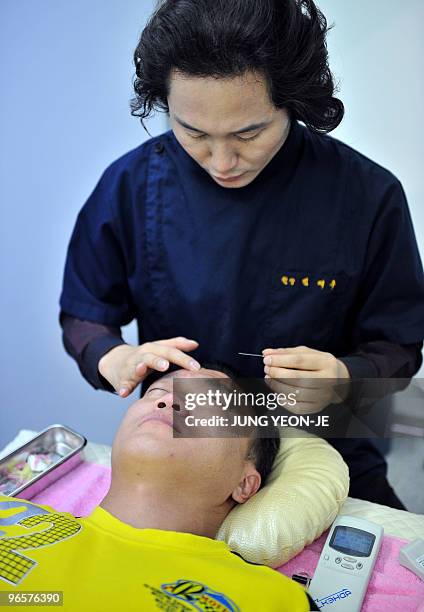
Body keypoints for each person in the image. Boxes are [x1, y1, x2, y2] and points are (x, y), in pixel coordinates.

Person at [59, 0, 424, 508]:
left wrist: (345, 379)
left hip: (327, 446)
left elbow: (400, 345)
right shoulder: (132, 185)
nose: (222, 161)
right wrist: (114, 357)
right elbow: (84, 315)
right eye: (193, 133)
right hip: (187, 451)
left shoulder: (367, 195)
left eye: (248, 133)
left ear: (294, 103)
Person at [0, 366, 316, 611]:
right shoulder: (11, 516)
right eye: (157, 391)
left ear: (245, 483)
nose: (169, 399)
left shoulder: (270, 597)